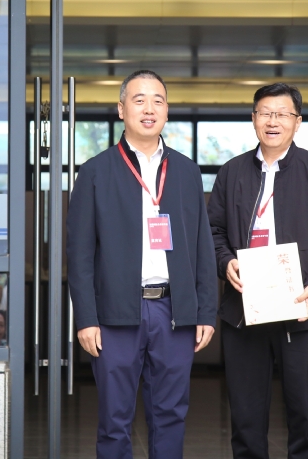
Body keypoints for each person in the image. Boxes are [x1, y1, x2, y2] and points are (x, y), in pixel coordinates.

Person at [67, 69, 218, 459]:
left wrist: (205, 311)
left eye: (158, 101)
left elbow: (202, 247)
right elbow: (79, 255)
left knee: (170, 415)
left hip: (174, 311)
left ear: (166, 111)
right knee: (114, 419)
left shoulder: (186, 170)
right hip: (115, 313)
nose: (149, 109)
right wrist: (86, 318)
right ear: (121, 109)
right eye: (139, 100)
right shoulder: (96, 171)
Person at [207, 83, 308, 459]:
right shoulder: (231, 172)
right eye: (265, 113)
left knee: (304, 418)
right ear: (253, 118)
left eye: (283, 114)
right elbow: (212, 232)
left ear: (297, 122)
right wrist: (225, 262)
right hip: (244, 310)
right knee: (246, 420)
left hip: (302, 309)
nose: (273, 121)